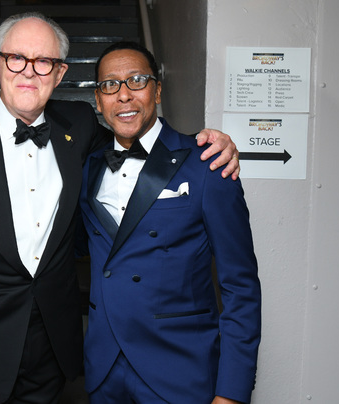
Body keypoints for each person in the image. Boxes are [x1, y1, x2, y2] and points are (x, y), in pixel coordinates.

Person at [0, 13, 240, 404]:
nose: (29, 72)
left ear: (60, 74)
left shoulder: (79, 124)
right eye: (17, 58)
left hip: (50, 353)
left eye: (44, 62)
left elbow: (138, 137)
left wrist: (203, 144)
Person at [78, 41, 261, 404]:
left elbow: (240, 287)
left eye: (137, 81)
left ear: (157, 90)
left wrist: (232, 393)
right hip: (104, 373)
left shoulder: (208, 164)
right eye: (110, 85)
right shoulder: (87, 166)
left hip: (179, 373)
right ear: (98, 101)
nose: (124, 95)